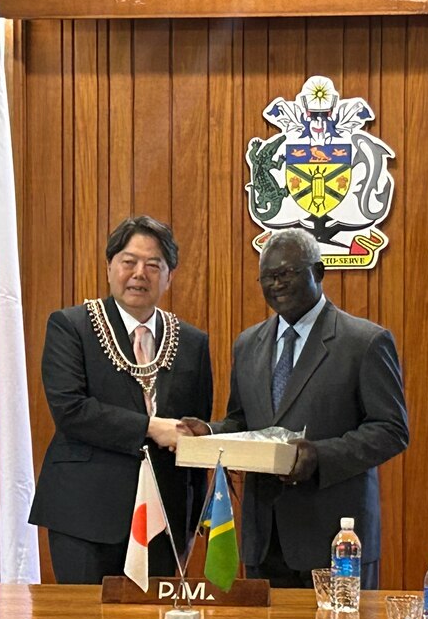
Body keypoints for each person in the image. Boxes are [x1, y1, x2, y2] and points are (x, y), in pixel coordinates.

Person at [182, 228, 408, 588]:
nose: (276, 285)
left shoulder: (364, 342)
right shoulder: (247, 344)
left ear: (318, 272)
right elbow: (244, 421)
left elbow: (391, 429)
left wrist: (319, 456)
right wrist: (208, 432)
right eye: (267, 277)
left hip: (336, 539)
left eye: (286, 273)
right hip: (263, 537)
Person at [29, 216, 212, 584]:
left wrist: (191, 520)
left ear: (169, 276)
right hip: (85, 515)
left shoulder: (192, 342)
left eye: (153, 265)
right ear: (110, 266)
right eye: (129, 262)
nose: (139, 273)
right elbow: (71, 410)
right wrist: (150, 428)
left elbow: (193, 433)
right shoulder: (71, 326)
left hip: (165, 519)